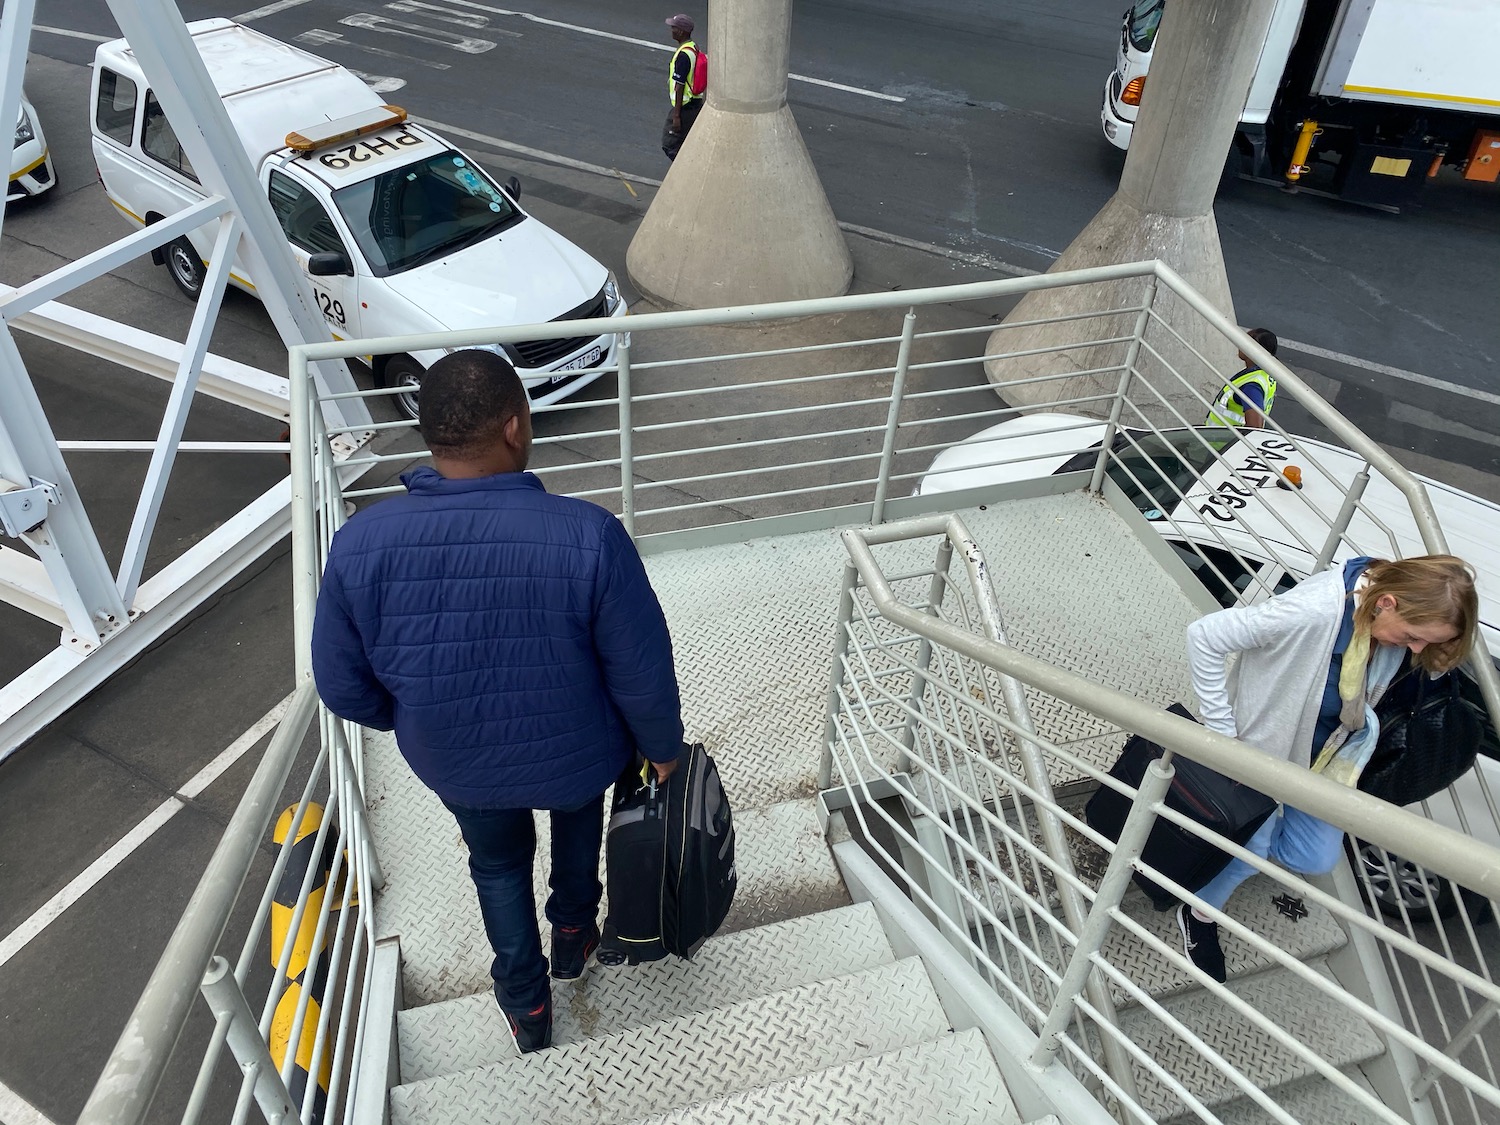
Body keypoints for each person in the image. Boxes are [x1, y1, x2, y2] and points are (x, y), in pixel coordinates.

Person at [310, 350, 685, 1053]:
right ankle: (574, 935)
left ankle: (526, 1001)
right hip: (579, 753)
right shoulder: (589, 535)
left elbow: (341, 684)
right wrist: (662, 750)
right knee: (577, 833)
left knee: (497, 866)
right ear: (515, 427)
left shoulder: (360, 544)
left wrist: (416, 716)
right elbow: (641, 670)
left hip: (460, 764)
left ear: (432, 435)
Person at [1180, 555, 1478, 982]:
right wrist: (1222, 732)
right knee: (1250, 852)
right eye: (1413, 637)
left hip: (1324, 759)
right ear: (1387, 603)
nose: (1414, 650)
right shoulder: (1316, 611)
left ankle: (1218, 846)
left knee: (1314, 856)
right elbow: (1205, 634)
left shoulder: (1380, 615)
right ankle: (1199, 912)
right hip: (1258, 753)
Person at [1206, 327, 1279, 430]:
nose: (1239, 344)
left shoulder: (1251, 386)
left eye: (1244, 341)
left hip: (1220, 443)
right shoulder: (1266, 374)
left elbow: (1255, 427)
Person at [661, 13, 704, 161]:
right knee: (684, 141)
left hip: (685, 107)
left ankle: (686, 170)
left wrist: (676, 116)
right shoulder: (693, 47)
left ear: (681, 31)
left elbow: (679, 86)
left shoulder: (683, 55)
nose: (671, 30)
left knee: (670, 144)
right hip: (694, 104)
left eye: (673, 27)